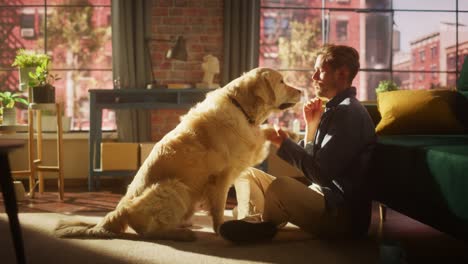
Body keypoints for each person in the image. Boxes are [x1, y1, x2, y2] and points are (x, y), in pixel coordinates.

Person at [219, 44, 377, 244]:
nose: (314, 77)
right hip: (318, 195)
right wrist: (311, 126)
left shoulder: (349, 113)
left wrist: (285, 143)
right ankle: (253, 222)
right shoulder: (334, 110)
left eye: (320, 71)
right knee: (246, 173)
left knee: (281, 186)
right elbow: (314, 168)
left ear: (342, 74)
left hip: (341, 216)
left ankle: (259, 220)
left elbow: (321, 174)